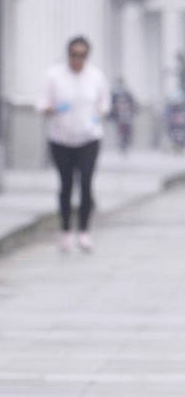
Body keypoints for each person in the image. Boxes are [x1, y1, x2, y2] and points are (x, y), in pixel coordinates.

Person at [37, 35, 110, 253]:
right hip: (61, 138)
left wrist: (99, 113)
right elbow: (41, 102)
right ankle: (66, 231)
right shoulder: (54, 75)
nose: (77, 59)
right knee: (66, 185)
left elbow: (104, 103)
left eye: (82, 55)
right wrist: (51, 109)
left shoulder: (96, 76)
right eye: (74, 54)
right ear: (68, 54)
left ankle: (84, 231)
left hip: (89, 137)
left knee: (86, 183)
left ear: (87, 56)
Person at [108, 76, 136, 154]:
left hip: (127, 115)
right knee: (119, 129)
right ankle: (122, 143)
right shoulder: (115, 94)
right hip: (119, 116)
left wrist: (133, 110)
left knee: (127, 130)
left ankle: (126, 142)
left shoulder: (128, 93)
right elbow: (111, 104)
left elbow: (133, 103)